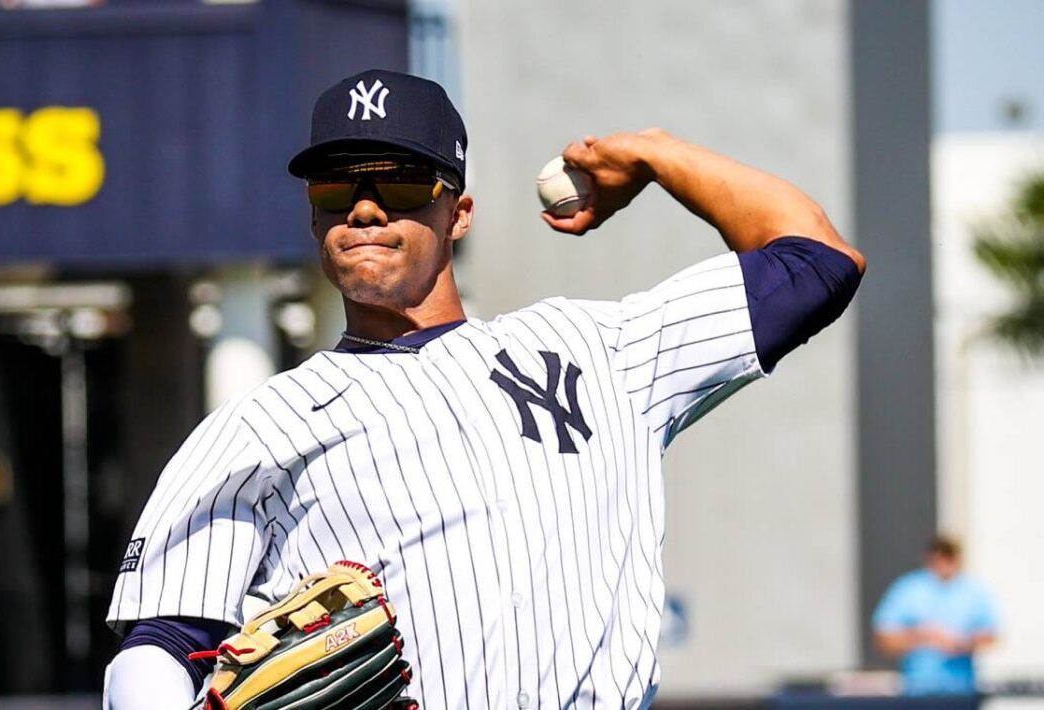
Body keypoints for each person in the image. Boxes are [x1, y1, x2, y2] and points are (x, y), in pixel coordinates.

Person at [102, 69, 866, 709]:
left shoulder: (597, 352)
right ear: (314, 216)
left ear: (457, 212)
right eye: (338, 187)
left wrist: (656, 155)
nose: (365, 207)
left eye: (400, 182)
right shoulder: (260, 425)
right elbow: (163, 642)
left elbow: (816, 261)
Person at [873, 535, 999, 696]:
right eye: (939, 556)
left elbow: (992, 635)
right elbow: (883, 637)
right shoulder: (908, 589)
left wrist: (961, 643)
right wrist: (922, 637)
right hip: (917, 689)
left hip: (961, 689)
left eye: (949, 557)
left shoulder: (974, 591)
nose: (944, 563)